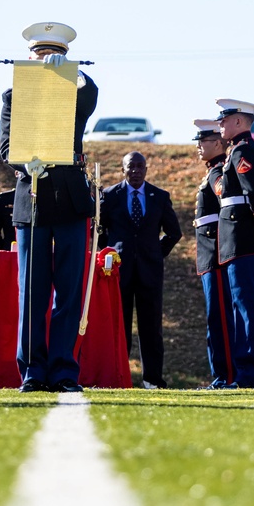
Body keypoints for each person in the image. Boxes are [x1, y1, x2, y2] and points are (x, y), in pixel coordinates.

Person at [0, 21, 98, 392]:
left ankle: (63, 370)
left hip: (70, 194)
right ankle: (32, 371)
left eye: (53, 56)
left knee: (69, 292)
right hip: (33, 196)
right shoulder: (14, 96)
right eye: (41, 56)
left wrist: (77, 79)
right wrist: (23, 163)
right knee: (32, 292)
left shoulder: (75, 91)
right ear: (28, 59)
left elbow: (89, 104)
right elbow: (6, 146)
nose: (46, 61)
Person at [100, 151, 181, 388]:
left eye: (140, 167)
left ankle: (152, 380)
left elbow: (174, 232)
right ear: (122, 169)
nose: (135, 171)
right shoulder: (109, 196)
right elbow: (100, 229)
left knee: (151, 328)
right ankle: (119, 376)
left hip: (150, 271)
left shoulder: (159, 196)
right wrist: (109, 253)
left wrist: (156, 252)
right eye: (130, 167)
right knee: (119, 327)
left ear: (146, 169)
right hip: (118, 272)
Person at [216, 98, 254, 389]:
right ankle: (246, 373)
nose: (220, 124)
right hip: (236, 236)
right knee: (240, 307)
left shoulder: (243, 150)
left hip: (245, 236)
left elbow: (253, 191)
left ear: (239, 122)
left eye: (225, 119)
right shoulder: (235, 151)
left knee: (249, 307)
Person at [192, 119, 237, 389]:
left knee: (220, 319)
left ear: (219, 143)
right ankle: (220, 375)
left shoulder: (217, 172)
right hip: (209, 254)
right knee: (214, 319)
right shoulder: (211, 171)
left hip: (217, 254)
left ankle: (227, 376)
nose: (199, 147)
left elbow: (226, 198)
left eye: (203, 142)